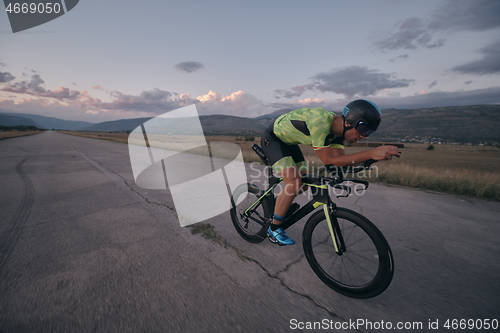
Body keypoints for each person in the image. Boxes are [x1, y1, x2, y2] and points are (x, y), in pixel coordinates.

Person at [261, 99, 400, 245]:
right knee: (294, 182)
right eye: (364, 129)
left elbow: (339, 160)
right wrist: (371, 153)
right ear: (348, 122)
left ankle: (279, 206)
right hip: (273, 140)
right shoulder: (321, 122)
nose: (364, 136)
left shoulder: (337, 134)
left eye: (369, 132)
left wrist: (370, 161)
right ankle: (274, 227)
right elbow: (329, 160)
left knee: (304, 183)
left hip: (289, 144)